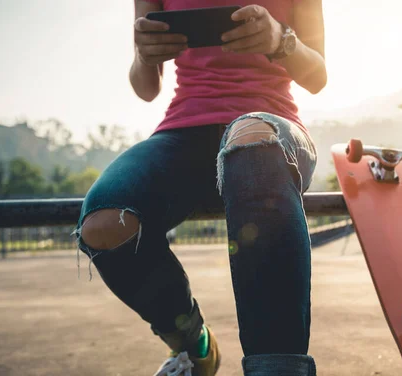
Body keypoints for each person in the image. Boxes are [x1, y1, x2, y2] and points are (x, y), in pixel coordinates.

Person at [73, 0, 326, 375]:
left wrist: (280, 39)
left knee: (251, 142)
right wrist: (144, 56)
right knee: (104, 222)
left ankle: (277, 368)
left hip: (269, 123)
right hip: (183, 130)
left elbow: (317, 75)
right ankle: (196, 348)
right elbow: (146, 87)